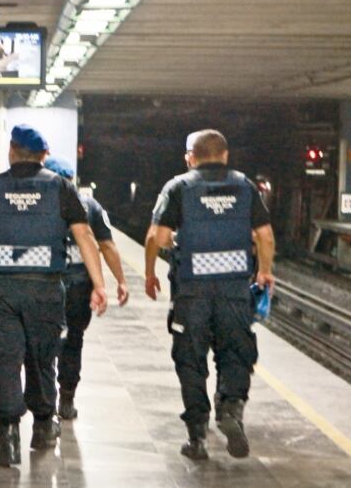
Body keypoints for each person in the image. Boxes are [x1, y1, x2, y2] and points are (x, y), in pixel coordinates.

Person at [0, 125, 108, 468]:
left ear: (11, 151)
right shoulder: (60, 188)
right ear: (44, 156)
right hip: (46, 289)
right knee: (41, 358)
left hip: (2, 289)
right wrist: (100, 284)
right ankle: (44, 427)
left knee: (6, 360)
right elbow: (85, 236)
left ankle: (9, 441)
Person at [145, 129, 275, 460]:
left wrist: (151, 271)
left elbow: (158, 238)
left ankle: (197, 436)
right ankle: (231, 410)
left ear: (190, 156)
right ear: (225, 156)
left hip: (192, 292)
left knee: (190, 360)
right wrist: (264, 271)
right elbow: (264, 235)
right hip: (234, 290)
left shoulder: (178, 187)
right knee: (235, 352)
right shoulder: (245, 186)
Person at [44, 156, 129, 420]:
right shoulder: (90, 205)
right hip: (79, 286)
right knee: (73, 341)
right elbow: (107, 245)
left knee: (43, 342)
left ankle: (46, 402)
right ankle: (67, 399)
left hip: (44, 285)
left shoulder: (41, 203)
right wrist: (120, 281)